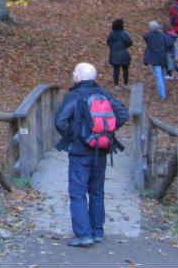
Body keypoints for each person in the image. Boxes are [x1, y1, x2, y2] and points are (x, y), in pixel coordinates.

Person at [54, 62, 129, 248]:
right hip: (101, 150)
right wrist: (106, 133)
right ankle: (97, 231)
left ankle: (84, 235)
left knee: (77, 193)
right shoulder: (103, 94)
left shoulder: (74, 96)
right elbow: (122, 114)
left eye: (74, 72)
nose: (73, 74)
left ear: (80, 76)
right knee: (97, 191)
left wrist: (75, 136)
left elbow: (60, 121)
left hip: (80, 152)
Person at [143, 21, 171, 100]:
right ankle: (163, 92)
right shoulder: (162, 35)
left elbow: (145, 36)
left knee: (159, 77)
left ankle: (162, 95)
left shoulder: (148, 36)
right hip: (163, 58)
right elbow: (168, 43)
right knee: (162, 76)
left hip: (155, 59)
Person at [106, 19, 133, 87]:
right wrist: (125, 46)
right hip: (124, 53)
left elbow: (108, 42)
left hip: (114, 54)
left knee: (116, 70)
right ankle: (126, 84)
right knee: (125, 69)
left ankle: (116, 85)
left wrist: (113, 47)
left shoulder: (111, 34)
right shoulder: (124, 33)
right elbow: (130, 42)